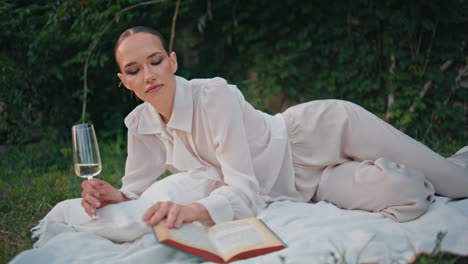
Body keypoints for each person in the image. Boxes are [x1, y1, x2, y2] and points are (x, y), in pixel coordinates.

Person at [81, 25, 468, 230]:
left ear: (173, 61)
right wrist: (113, 195)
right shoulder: (141, 125)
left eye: (155, 61)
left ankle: (447, 166)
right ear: (124, 80)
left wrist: (193, 211)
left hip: (322, 132)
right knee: (407, 192)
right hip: (309, 188)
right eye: (134, 70)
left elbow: (243, 188)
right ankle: (408, 170)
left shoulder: (213, 96)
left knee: (457, 184)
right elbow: (135, 188)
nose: (148, 75)